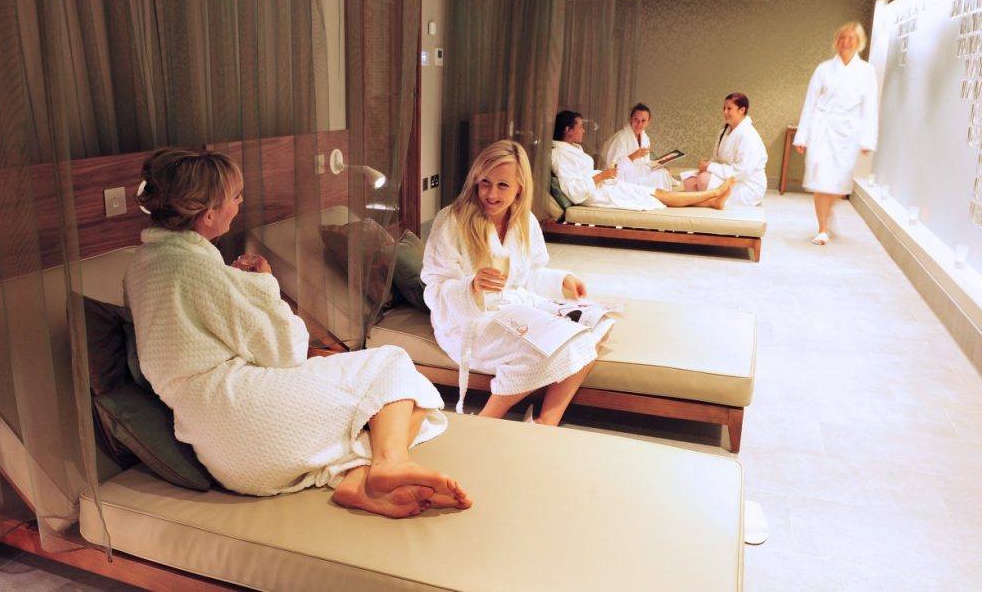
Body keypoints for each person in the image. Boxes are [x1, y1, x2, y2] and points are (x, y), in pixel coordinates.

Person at [124, 148, 471, 518]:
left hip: (217, 449)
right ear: (209, 214)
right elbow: (285, 353)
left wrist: (236, 286)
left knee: (395, 403)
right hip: (248, 417)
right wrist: (264, 284)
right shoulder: (199, 271)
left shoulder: (142, 266)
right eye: (236, 196)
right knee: (393, 365)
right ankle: (389, 462)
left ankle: (356, 480)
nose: (240, 203)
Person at [422, 140, 614, 426]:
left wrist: (562, 280)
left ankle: (545, 422)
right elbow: (435, 287)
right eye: (485, 183)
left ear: (520, 187)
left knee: (597, 325)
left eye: (503, 185)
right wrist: (471, 287)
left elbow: (529, 275)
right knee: (558, 345)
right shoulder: (452, 220)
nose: (491, 194)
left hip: (515, 306)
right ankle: (486, 421)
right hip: (468, 322)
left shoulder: (525, 220)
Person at [793, 22, 879, 245]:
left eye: (851, 38)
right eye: (842, 37)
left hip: (848, 134)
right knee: (821, 180)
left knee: (838, 183)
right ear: (836, 41)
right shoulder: (823, 69)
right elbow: (810, 102)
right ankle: (822, 229)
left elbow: (870, 107)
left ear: (859, 43)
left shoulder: (866, 71)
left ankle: (828, 213)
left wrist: (867, 139)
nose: (846, 42)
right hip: (822, 129)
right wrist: (802, 135)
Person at [552, 110, 733, 210]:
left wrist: (657, 164)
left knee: (659, 191)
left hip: (608, 184)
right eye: (580, 127)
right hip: (602, 191)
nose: (583, 130)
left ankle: (712, 201)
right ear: (568, 130)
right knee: (659, 195)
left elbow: (642, 164)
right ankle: (713, 194)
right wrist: (605, 175)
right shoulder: (559, 155)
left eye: (643, 121)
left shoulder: (571, 150)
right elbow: (575, 192)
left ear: (648, 122)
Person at [682, 92, 768, 206]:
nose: (725, 112)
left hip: (746, 184)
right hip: (729, 176)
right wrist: (707, 166)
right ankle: (706, 202)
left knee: (703, 180)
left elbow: (742, 172)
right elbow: (717, 157)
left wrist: (710, 167)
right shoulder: (725, 131)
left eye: (729, 109)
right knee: (689, 182)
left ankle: (708, 203)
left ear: (742, 110)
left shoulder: (748, 135)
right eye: (724, 108)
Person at [599, 103, 676, 190]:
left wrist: (659, 165)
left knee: (663, 172)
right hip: (622, 177)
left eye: (643, 121)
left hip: (637, 174)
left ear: (648, 122)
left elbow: (646, 163)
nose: (639, 124)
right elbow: (613, 167)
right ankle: (658, 195)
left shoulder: (645, 138)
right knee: (660, 176)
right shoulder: (620, 138)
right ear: (631, 119)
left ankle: (660, 195)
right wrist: (633, 156)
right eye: (636, 119)